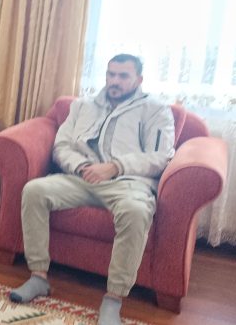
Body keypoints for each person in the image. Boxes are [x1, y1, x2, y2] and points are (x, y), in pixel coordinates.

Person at [9, 54, 175, 325]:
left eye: (123, 76)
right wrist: (82, 166)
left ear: (139, 79)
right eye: (111, 74)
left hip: (127, 184)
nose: (114, 81)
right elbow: (62, 145)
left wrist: (115, 167)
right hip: (81, 177)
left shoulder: (155, 110)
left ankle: (113, 299)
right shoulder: (83, 105)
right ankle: (38, 277)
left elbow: (160, 156)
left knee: (135, 212)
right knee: (34, 191)